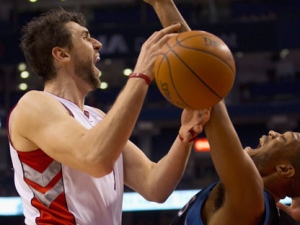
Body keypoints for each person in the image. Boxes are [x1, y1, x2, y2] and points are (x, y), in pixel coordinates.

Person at [7, 6, 211, 225]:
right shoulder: (33, 105)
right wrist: (141, 74)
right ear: (62, 54)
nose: (98, 43)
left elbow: (155, 186)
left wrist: (184, 137)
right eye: (86, 37)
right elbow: (95, 159)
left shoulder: (98, 118)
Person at [143, 0, 300, 224]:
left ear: (284, 169)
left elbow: (206, 83)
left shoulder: (250, 196)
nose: (273, 132)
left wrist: (162, 5)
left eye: (283, 139)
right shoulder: (265, 208)